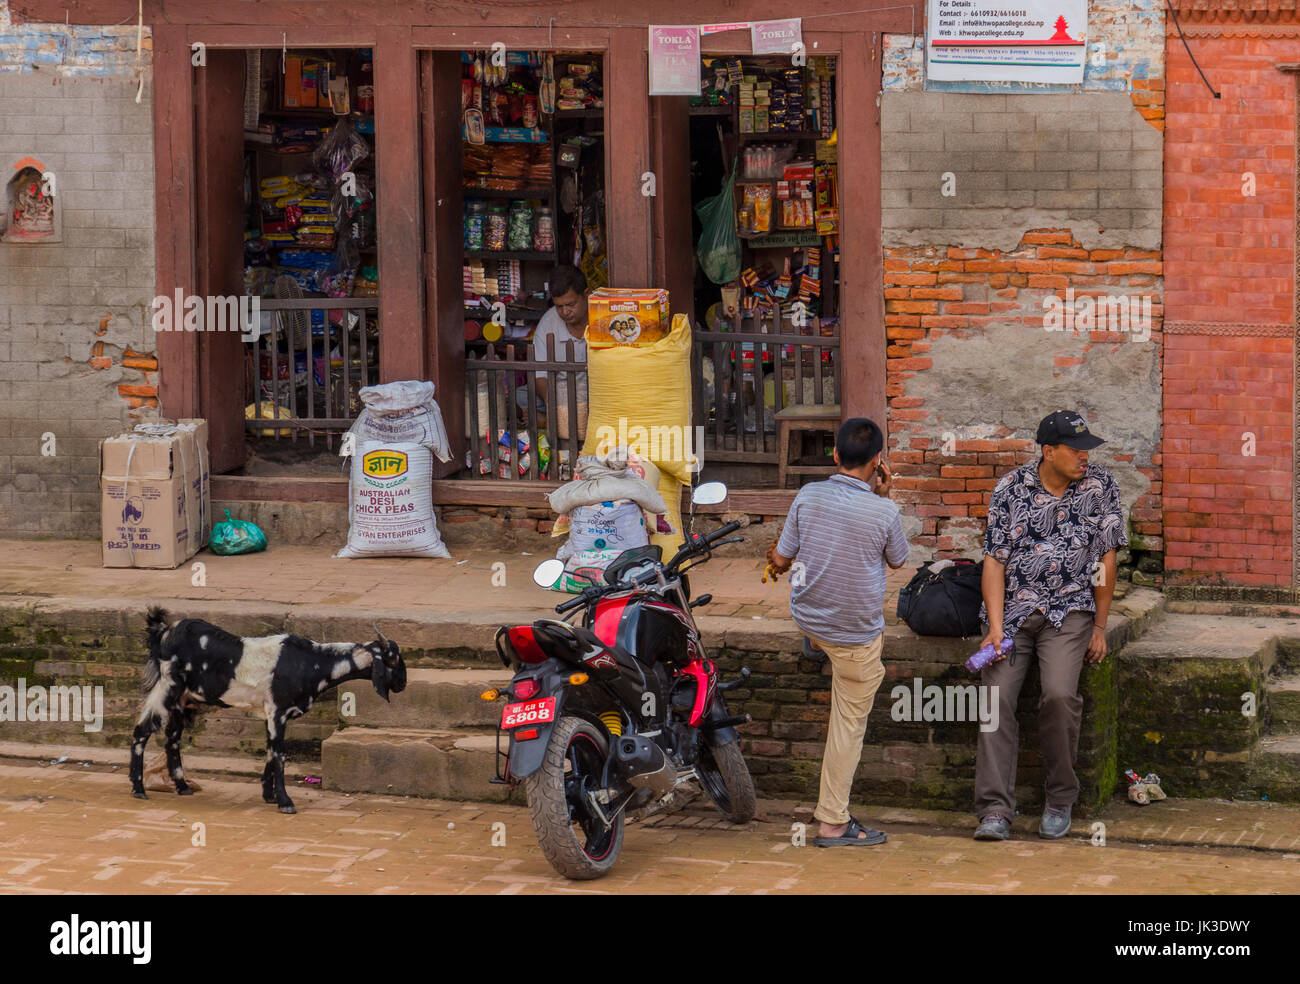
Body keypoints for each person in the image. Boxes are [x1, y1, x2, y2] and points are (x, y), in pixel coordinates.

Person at [973, 410, 1127, 842]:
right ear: (1048, 451)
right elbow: (994, 560)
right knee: (994, 698)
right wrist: (996, 628)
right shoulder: (1010, 488)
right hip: (1014, 614)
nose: (1085, 458)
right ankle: (995, 810)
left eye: (1087, 450)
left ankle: (1060, 797)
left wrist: (1099, 625)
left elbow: (1106, 558)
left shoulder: (1099, 486)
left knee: (1059, 694)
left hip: (1070, 611)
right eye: (1076, 450)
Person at [768, 417, 909, 847]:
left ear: (834, 456)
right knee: (849, 721)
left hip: (808, 616)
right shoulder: (884, 510)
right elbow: (899, 560)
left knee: (818, 613)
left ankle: (815, 642)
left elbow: (782, 556)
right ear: (878, 462)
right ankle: (832, 822)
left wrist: (774, 566)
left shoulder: (808, 495)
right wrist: (883, 497)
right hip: (852, 634)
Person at [531, 265, 589, 437]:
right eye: (559, 306)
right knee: (522, 395)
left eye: (571, 304)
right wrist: (555, 405)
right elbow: (540, 375)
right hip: (560, 395)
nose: (565, 312)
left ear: (586, 295)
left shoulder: (603, 317)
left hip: (598, 393)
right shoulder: (548, 323)